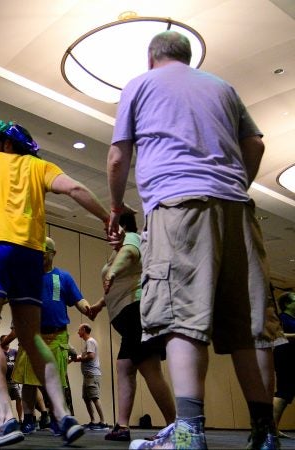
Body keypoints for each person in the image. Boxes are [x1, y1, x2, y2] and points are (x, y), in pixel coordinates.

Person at [106, 30, 284, 450]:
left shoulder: (140, 84)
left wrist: (116, 207)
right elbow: (255, 144)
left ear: (152, 57)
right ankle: (265, 432)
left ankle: (188, 431)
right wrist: (235, 181)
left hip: (177, 205)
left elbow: (118, 156)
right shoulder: (222, 86)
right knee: (250, 324)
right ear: (189, 57)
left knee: (182, 316)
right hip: (237, 210)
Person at [0, 119, 110, 448]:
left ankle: (4, 418)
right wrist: (108, 218)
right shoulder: (40, 166)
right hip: (31, 255)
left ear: (4, 144)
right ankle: (63, 414)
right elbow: (75, 189)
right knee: (32, 337)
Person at [89, 211, 175, 441]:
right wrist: (99, 305)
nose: (107, 233)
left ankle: (175, 427)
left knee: (150, 369)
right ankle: (123, 426)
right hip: (129, 316)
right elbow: (118, 287)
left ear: (123, 227)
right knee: (125, 367)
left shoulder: (132, 239)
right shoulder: (115, 253)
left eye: (111, 227)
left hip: (138, 313)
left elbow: (129, 254)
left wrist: (113, 272)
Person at [12, 236, 91, 435]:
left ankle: (58, 419)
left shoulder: (63, 277)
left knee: (57, 380)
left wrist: (87, 308)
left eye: (44, 250)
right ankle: (29, 419)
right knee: (29, 381)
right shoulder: (28, 276)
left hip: (57, 337)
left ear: (53, 253)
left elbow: (78, 300)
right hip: (32, 337)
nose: (39, 254)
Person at [74, 323, 107, 430]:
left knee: (94, 397)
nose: (78, 332)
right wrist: (76, 357)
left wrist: (79, 359)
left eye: (79, 330)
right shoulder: (88, 343)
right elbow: (87, 355)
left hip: (92, 375)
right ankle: (93, 421)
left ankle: (103, 422)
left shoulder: (90, 341)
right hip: (88, 376)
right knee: (86, 398)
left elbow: (91, 356)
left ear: (84, 330)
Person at [273, 292, 295, 439]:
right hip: (285, 356)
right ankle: (270, 428)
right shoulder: (281, 318)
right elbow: (277, 335)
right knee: (284, 392)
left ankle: (272, 428)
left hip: (292, 357)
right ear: (287, 304)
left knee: (287, 393)